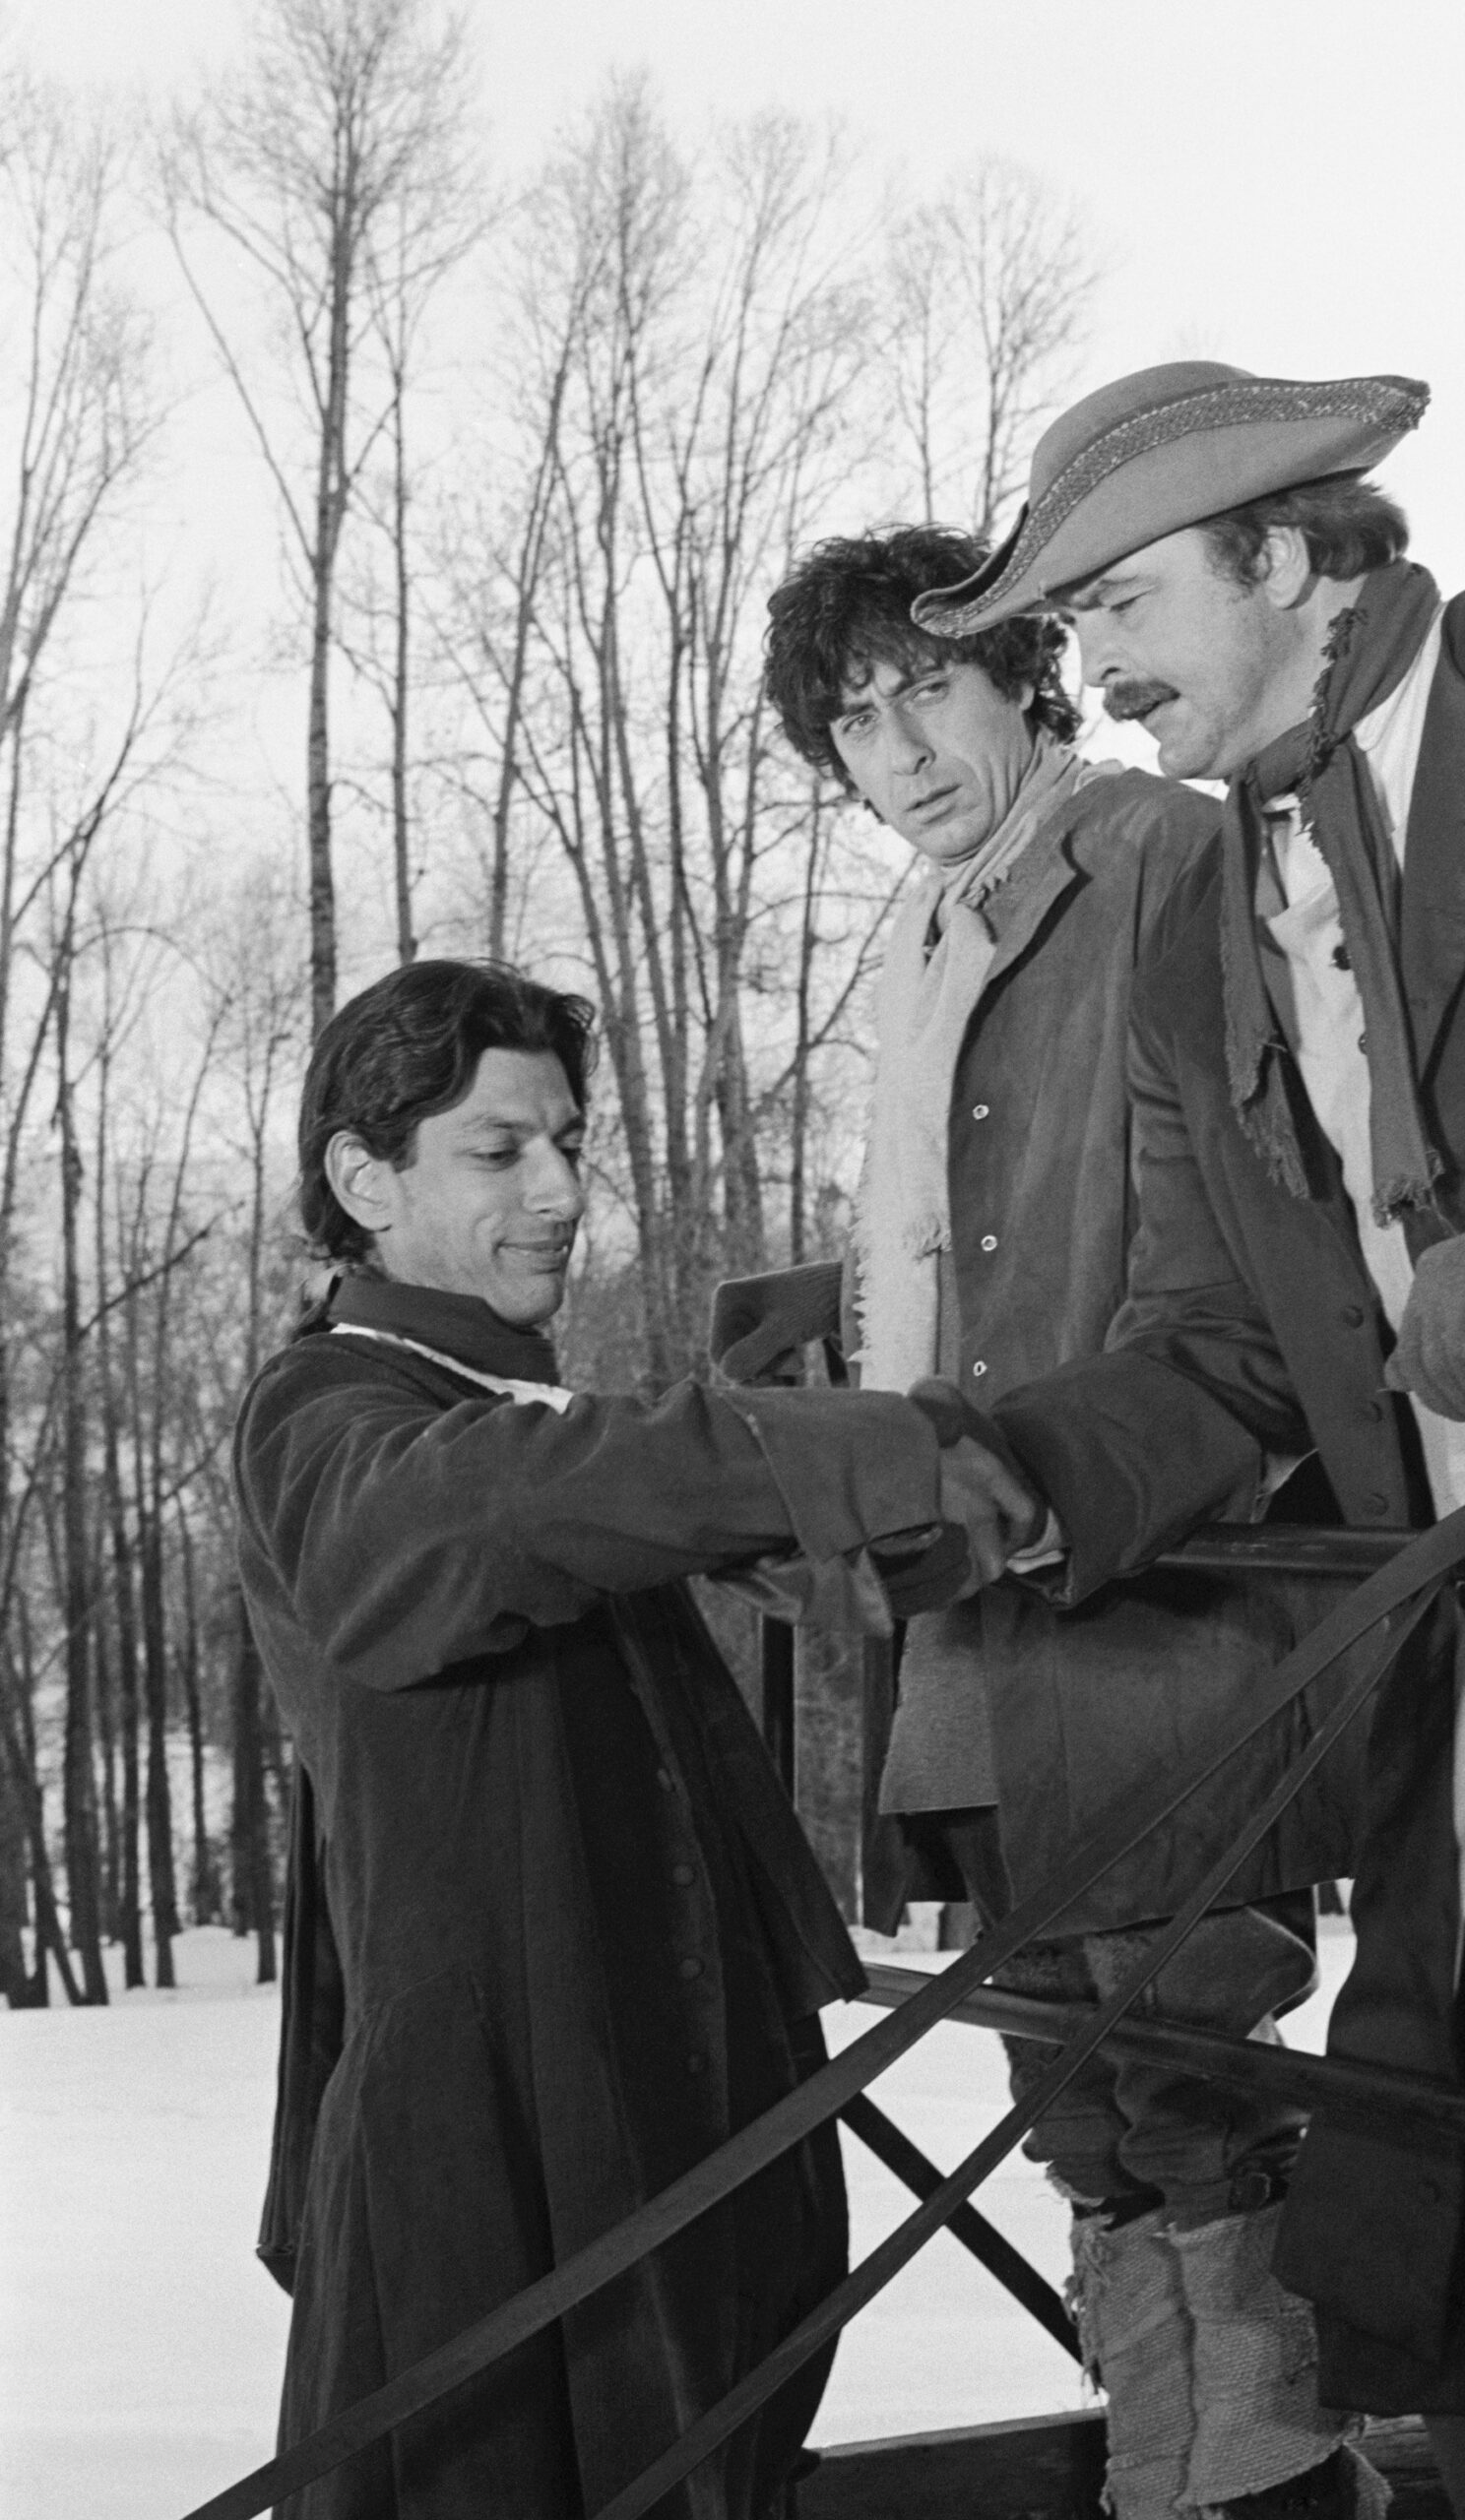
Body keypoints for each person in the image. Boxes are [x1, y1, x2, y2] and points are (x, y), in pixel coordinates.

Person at [913, 362, 1465, 2518]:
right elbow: (1230, 1347)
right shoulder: (1203, 923)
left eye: (1124, 605)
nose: (1099, 674)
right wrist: (975, 1474)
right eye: (1071, 635)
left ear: (1290, 559)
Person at [716, 524, 1383, 2520]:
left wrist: (1013, 1462)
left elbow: (1251, 1282)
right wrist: (815, 1369)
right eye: (852, 722)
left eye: (933, 687)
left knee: (1200, 2068)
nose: (901, 748)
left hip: (1159, 1589)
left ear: (1029, 675)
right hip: (977, 1624)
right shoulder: (928, 932)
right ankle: (1158, 2471)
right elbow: (946, 1259)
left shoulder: (1162, 862)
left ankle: (1258, 2482)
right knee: (1074, 2091)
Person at [235, 957, 1027, 2520]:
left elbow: (583, 1495)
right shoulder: (324, 1407)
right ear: (361, 1180)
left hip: (659, 2107)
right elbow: (464, 1520)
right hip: (496, 2141)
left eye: (572, 1144)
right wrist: (848, 1443)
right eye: (498, 1150)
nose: (559, 1191)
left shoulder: (515, 1404)